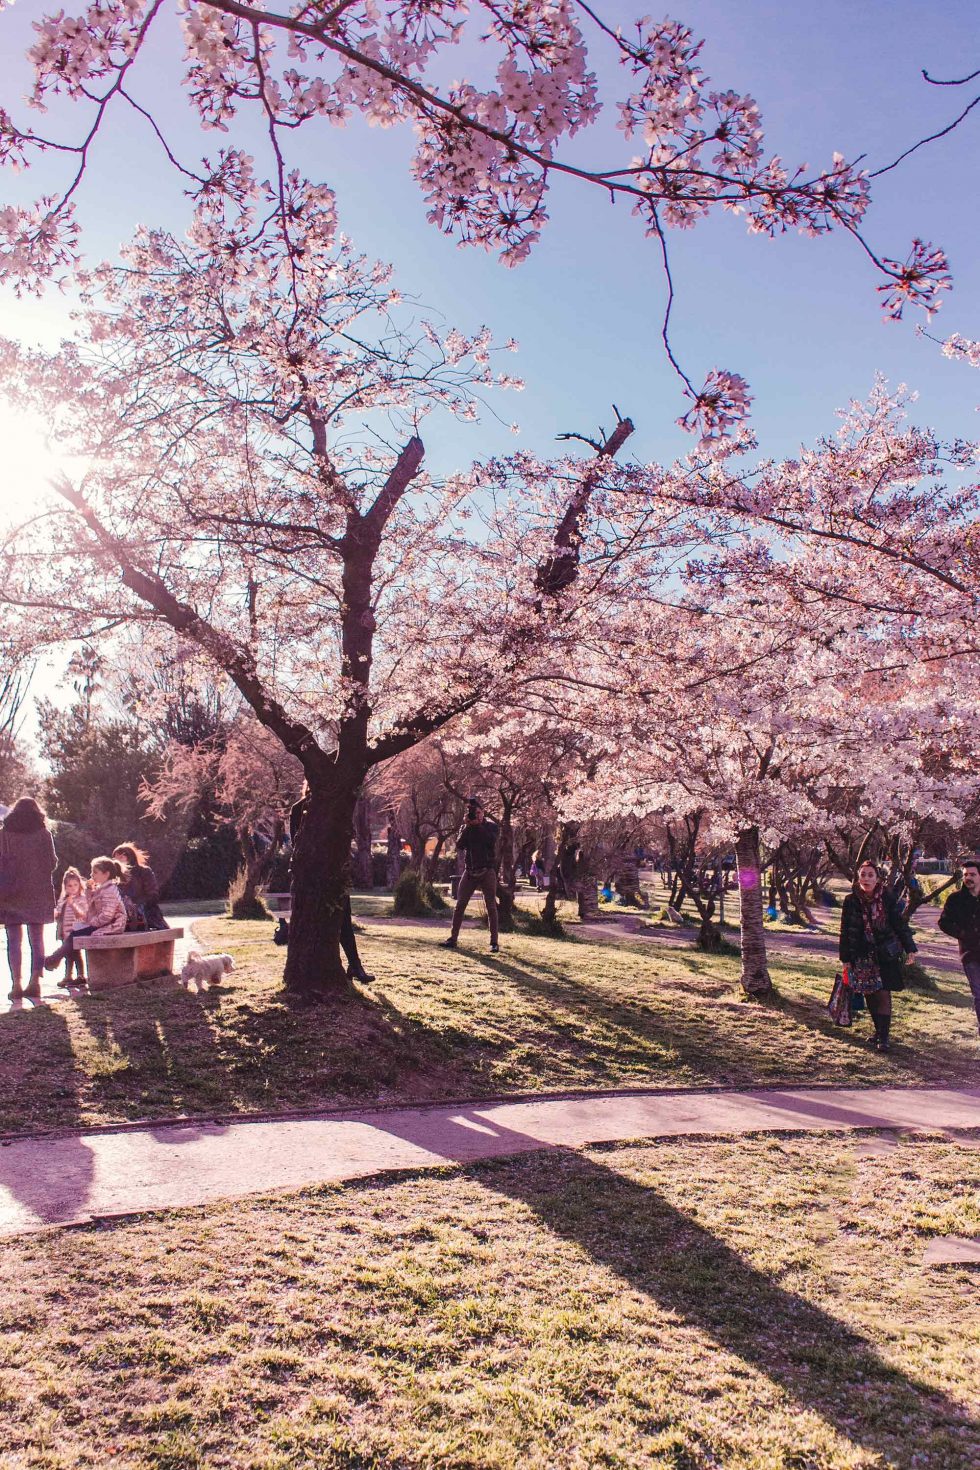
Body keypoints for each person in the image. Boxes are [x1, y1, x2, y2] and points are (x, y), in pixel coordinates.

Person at [288, 788, 374, 983]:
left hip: (335, 873)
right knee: (318, 922)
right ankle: (351, 966)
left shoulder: (338, 806)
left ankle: (355, 965)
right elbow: (297, 845)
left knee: (343, 920)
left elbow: (345, 837)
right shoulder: (299, 809)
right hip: (312, 877)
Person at [839, 860, 918, 1053]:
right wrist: (846, 958)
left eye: (870, 875)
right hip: (862, 954)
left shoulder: (887, 898)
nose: (866, 879)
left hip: (885, 952)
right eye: (863, 875)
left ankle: (883, 1037)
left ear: (877, 878)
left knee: (883, 992)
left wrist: (910, 948)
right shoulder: (851, 901)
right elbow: (845, 930)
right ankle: (877, 1031)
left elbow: (899, 925)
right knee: (869, 993)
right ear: (858, 878)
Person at [0, 796, 57, 1000]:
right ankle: (35, 981)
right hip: (37, 892)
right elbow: (52, 863)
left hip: (10, 893)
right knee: (37, 939)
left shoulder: (4, 834)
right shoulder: (44, 834)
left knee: (14, 941)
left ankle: (16, 984)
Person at [44, 857, 127, 976]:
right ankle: (55, 961)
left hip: (112, 924)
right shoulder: (102, 888)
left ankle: (54, 960)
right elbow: (91, 905)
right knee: (75, 933)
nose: (91, 875)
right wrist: (89, 889)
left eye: (95, 872)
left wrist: (92, 922)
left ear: (106, 874)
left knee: (75, 934)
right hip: (103, 922)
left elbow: (107, 915)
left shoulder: (110, 890)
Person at [442, 799, 500, 953]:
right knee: (460, 905)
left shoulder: (491, 827)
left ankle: (494, 942)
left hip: (487, 871)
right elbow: (460, 845)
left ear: (484, 812)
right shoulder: (466, 827)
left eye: (479, 813)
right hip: (470, 872)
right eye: (475, 813)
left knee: (491, 907)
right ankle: (452, 939)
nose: (477, 815)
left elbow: (490, 841)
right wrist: (468, 827)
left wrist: (478, 826)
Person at [937, 857, 980, 1036]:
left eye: (972, 874)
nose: (968, 878)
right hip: (970, 954)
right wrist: (962, 933)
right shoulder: (955, 899)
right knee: (979, 994)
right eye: (965, 875)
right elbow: (943, 922)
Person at [112, 843, 168, 930]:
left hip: (146, 913)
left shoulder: (144, 871)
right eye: (115, 858)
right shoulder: (114, 876)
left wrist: (135, 904)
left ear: (130, 857)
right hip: (122, 915)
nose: (117, 861)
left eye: (121, 857)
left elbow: (153, 894)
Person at [54, 867, 90, 988]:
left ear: (80, 884)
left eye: (75, 884)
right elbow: (58, 912)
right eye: (69, 885)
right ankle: (68, 975)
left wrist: (73, 905)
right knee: (68, 954)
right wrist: (56, 913)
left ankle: (80, 975)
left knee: (76, 953)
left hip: (76, 930)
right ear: (65, 887)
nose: (73, 888)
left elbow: (83, 914)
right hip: (65, 931)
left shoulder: (81, 898)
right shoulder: (63, 900)